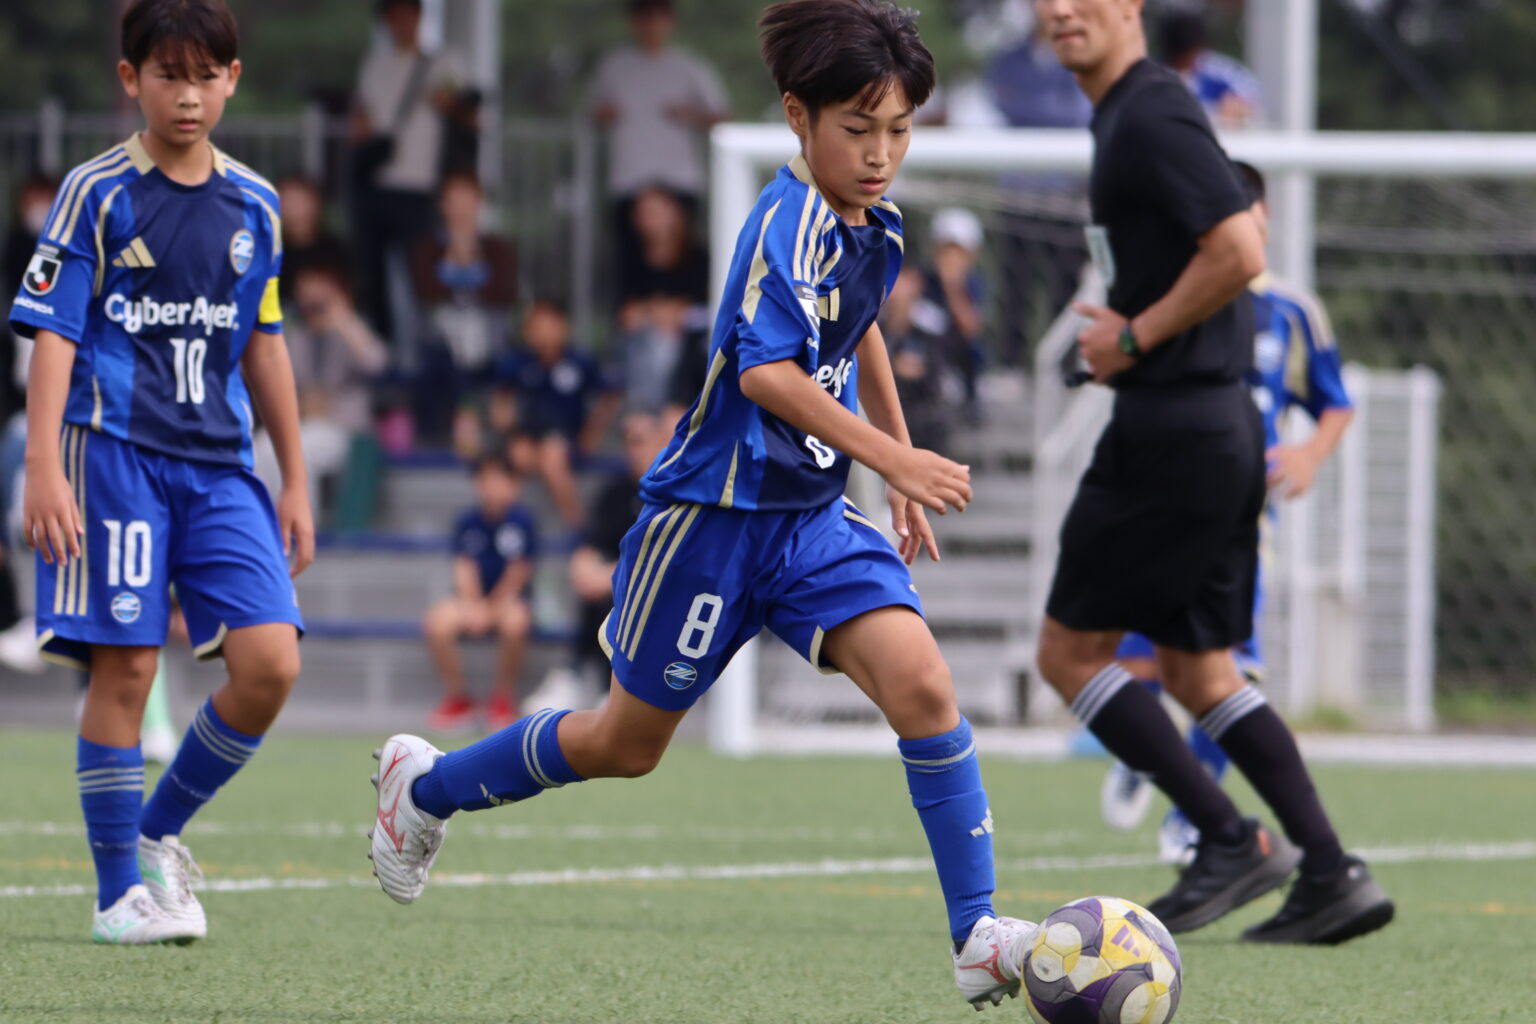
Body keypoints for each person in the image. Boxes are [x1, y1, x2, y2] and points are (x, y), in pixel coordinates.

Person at [368, 2, 1041, 1010]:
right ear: (798, 117)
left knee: (924, 687)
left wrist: (893, 462)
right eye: (858, 129)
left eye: (898, 131)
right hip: (710, 522)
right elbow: (768, 374)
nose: (880, 154)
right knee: (625, 745)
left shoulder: (875, 224)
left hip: (809, 522)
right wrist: (896, 462)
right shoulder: (784, 222)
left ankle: (977, 934)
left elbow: (859, 327)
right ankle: (424, 789)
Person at [1031, 0, 1392, 944]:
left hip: (1173, 429)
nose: (1060, 8)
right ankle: (1331, 872)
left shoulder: (1150, 108)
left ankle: (1230, 840)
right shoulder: (1126, 111)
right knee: (1199, 670)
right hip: (1215, 425)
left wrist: (1134, 339)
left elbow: (1240, 250)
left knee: (1068, 655)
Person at [9, 0, 310, 945]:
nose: (188, 96)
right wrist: (42, 465)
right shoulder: (94, 192)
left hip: (220, 467)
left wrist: (296, 477)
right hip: (114, 458)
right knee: (129, 667)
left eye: (205, 76)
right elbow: (53, 336)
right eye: (168, 75)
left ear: (233, 80)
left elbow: (264, 342)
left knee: (271, 662)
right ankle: (117, 898)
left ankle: (156, 830)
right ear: (129, 79)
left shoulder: (256, 204)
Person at [1101, 159, 1358, 861]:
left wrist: (1308, 455)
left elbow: (1335, 402)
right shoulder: (1170, 300)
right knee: (1135, 668)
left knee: (1227, 671)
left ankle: (1191, 821)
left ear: (1263, 220)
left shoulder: (1291, 312)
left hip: (1241, 521)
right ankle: (1145, 755)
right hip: (1153, 508)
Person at [589, 0, 730, 290]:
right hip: (630, 179)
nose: (651, 25)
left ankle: (686, 314)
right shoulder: (615, 67)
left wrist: (688, 114)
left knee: (684, 262)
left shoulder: (689, 66)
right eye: (645, 17)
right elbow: (593, 113)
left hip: (679, 178)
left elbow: (722, 116)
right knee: (631, 264)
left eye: (658, 17)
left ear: (669, 22)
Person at [350, 0, 463, 359]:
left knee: (420, 273)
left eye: (407, 14)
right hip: (376, 181)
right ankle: (382, 352)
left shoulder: (442, 62)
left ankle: (425, 350)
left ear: (420, 17)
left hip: (420, 183)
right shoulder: (375, 62)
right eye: (393, 16)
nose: (401, 22)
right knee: (374, 274)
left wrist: (446, 100)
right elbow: (361, 116)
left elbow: (459, 105)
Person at [253, 262, 388, 526]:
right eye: (307, 297)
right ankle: (269, 527)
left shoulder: (348, 329)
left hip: (343, 428)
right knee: (261, 447)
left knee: (298, 455)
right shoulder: (297, 335)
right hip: (305, 424)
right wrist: (305, 404)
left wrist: (342, 317)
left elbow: (377, 362)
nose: (313, 304)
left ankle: (301, 529)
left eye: (320, 298)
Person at [422, 454, 538, 733]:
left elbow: (518, 572)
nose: (491, 486)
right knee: (437, 621)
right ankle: (459, 699)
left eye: (499, 479)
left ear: (513, 484)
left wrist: (491, 607)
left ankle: (502, 698)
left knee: (516, 621)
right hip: (472, 599)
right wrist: (474, 605)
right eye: (485, 479)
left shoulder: (522, 521)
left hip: (509, 599)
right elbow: (464, 567)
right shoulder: (467, 520)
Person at [409, 171, 518, 453]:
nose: (460, 210)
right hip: (441, 345)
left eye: (466, 201)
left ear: (479, 203)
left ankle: (496, 445)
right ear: (442, 206)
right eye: (453, 202)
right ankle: (435, 445)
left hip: (490, 345)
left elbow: (504, 291)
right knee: (433, 374)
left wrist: (467, 260)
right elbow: (426, 289)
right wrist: (456, 257)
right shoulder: (428, 248)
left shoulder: (497, 248)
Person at [493, 300, 619, 527]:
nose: (544, 333)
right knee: (518, 456)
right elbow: (502, 403)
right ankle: (513, 526)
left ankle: (577, 523)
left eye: (550, 325)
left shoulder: (580, 362)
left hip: (567, 438)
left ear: (564, 327)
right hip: (527, 437)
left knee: (552, 457)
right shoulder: (517, 363)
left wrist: (591, 434)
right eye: (537, 327)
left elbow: (609, 396)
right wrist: (511, 433)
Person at [615, 185, 711, 413]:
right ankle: (644, 410)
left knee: (667, 344)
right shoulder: (631, 260)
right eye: (643, 214)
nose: (649, 221)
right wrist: (655, 312)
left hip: (689, 345)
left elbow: (704, 309)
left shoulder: (697, 258)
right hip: (642, 342)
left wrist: (674, 314)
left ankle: (672, 406)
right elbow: (626, 315)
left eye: (655, 213)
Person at [1157, 10, 1263, 130]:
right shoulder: (1155, 72)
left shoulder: (1220, 72)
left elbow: (1251, 97)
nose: (1182, 62)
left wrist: (1240, 107)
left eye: (1186, 55)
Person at [274, 174, 350, 304]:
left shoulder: (335, 250)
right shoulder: (271, 254)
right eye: (287, 200)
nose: (293, 208)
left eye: (299, 200)